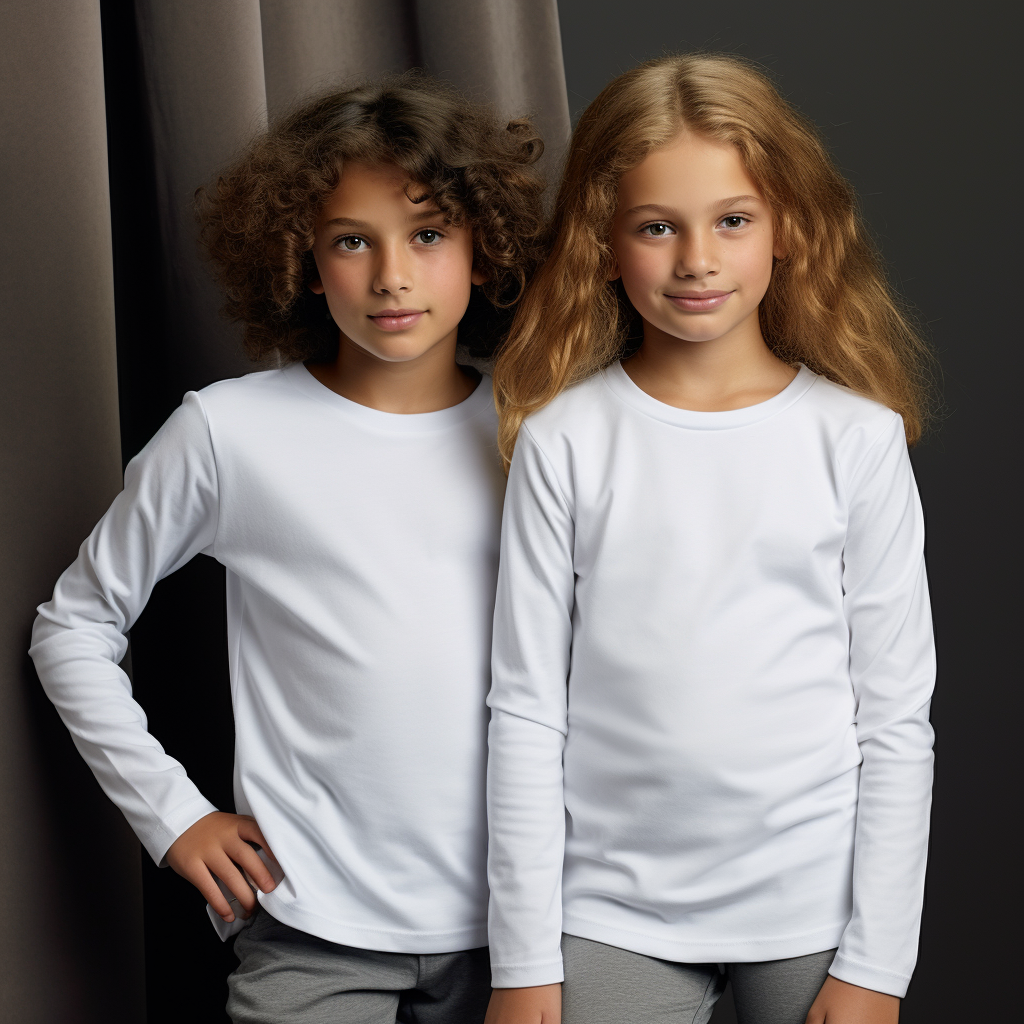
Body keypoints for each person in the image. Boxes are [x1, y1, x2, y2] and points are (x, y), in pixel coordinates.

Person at [30, 74, 545, 1024]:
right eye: (353, 240)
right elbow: (72, 627)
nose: (391, 274)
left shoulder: (540, 435)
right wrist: (173, 816)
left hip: (522, 931)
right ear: (305, 260)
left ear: (485, 249)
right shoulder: (232, 434)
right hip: (311, 924)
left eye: (428, 235)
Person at [484, 54, 934, 1024]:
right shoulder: (564, 441)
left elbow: (895, 721)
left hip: (816, 908)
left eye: (731, 220)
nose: (696, 260)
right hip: (614, 910)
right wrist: (522, 964)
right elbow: (525, 712)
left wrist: (876, 966)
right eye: (657, 227)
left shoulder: (853, 441)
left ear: (787, 231)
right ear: (605, 242)